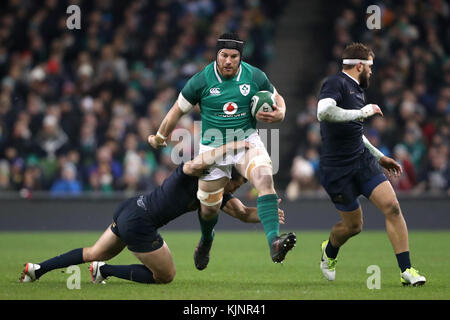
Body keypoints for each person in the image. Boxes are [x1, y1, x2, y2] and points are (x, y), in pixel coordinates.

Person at [20, 141, 285, 285]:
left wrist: (267, 211)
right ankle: (105, 271)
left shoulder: (215, 193)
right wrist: (230, 147)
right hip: (140, 222)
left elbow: (241, 213)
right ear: (227, 174)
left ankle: (37, 269)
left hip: (131, 208)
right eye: (237, 182)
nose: (237, 187)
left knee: (93, 252)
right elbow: (195, 162)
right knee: (166, 276)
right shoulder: (193, 175)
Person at [148, 33, 296, 269]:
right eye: (224, 55)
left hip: (247, 140)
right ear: (216, 55)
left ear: (240, 58)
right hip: (213, 147)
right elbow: (177, 110)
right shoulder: (201, 80)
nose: (228, 61)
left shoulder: (255, 76)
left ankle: (274, 242)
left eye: (234, 56)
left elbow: (277, 97)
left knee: (265, 179)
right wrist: (160, 136)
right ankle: (206, 240)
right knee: (209, 210)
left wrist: (281, 112)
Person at [316, 43, 426, 286]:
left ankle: (407, 270)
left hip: (361, 160)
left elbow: (355, 131)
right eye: (370, 67)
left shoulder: (357, 90)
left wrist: (378, 156)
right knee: (353, 227)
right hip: (337, 168)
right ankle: (330, 250)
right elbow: (323, 112)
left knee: (392, 207)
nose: (372, 73)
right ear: (359, 66)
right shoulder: (336, 83)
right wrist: (361, 113)